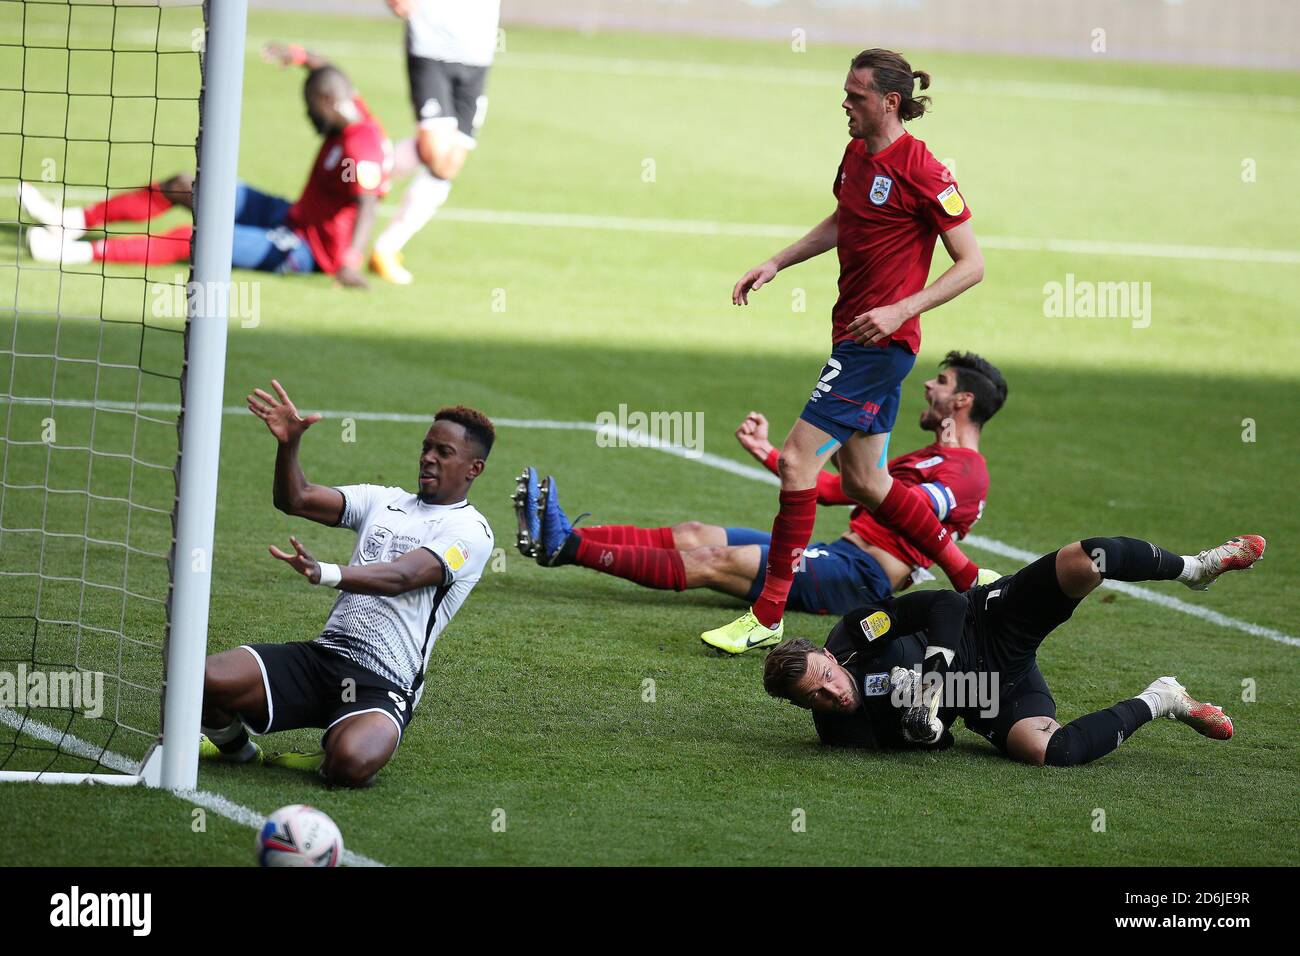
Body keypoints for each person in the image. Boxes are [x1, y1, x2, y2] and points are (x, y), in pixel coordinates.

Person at [703, 49, 989, 652]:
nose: (845, 104)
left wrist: (901, 309)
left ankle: (768, 612)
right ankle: (972, 579)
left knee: (796, 461)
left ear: (890, 101)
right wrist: (777, 261)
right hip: (855, 335)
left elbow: (973, 264)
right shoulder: (857, 154)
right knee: (865, 481)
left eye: (856, 96)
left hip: (878, 346)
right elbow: (844, 220)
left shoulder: (927, 172)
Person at [520, 352, 1007, 654]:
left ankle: (563, 548)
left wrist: (791, 460)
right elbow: (843, 489)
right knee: (693, 532)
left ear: (963, 401)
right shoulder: (932, 455)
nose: (928, 385)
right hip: (839, 553)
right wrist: (773, 455)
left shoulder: (967, 470)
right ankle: (565, 536)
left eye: (941, 382)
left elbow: (898, 506)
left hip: (862, 577)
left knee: (715, 560)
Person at [198, 379, 494, 787]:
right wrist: (289, 445)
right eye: (427, 447)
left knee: (350, 763)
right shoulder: (383, 501)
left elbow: (403, 577)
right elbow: (296, 498)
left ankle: (328, 751)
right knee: (202, 678)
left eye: (444, 452)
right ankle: (238, 752)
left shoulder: (472, 531)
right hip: (325, 657)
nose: (428, 458)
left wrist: (327, 573)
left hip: (385, 679)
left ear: (473, 468)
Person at [761, 533, 1266, 766]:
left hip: (989, 623)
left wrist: (931, 685)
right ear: (800, 706)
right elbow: (939, 746)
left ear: (828, 658)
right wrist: (929, 730)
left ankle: (1195, 569)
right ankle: (1164, 699)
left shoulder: (856, 634)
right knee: (1047, 750)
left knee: (1088, 559)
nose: (833, 696)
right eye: (816, 699)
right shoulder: (841, 732)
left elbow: (945, 606)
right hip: (990, 694)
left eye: (825, 680)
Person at [22, 42, 391, 289]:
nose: (308, 114)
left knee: (199, 240)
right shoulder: (349, 109)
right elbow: (330, 72)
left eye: (310, 105)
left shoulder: (360, 147)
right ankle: (71, 222)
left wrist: (351, 262)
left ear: (327, 101)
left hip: (304, 249)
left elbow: (368, 204)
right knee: (186, 184)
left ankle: (75, 253)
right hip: (290, 215)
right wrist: (298, 55)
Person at [369, 0, 501, 285]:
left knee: (449, 162)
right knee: (433, 151)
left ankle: (385, 247)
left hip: (478, 53)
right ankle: (347, 189)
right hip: (431, 45)